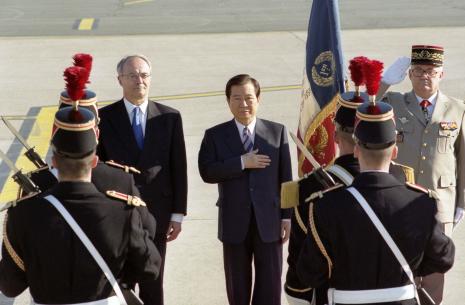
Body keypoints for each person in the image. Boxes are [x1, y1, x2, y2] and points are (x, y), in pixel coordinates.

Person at [296, 98, 455, 305]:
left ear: (356, 150)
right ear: (395, 151)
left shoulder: (327, 204)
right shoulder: (421, 202)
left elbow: (309, 272)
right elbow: (443, 258)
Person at [0, 103, 161, 304]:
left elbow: (10, 285)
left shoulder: (23, 214)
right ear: (94, 161)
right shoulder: (122, 211)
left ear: (54, 162)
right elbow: (150, 268)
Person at [284, 77, 414, 305]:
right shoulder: (402, 177)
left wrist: (298, 297)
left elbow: (300, 263)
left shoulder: (309, 188)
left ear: (334, 135)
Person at [380, 45, 465, 304]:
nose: (425, 76)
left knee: (434, 274)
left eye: (431, 71)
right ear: (409, 74)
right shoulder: (394, 103)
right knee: (401, 271)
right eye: (419, 70)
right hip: (402, 201)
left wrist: (464, 202)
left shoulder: (458, 108)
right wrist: (383, 84)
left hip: (440, 204)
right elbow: (364, 111)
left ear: (441, 74)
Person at [97, 54, 188, 305]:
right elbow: (98, 169)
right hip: (118, 215)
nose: (140, 80)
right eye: (133, 75)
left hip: (157, 215)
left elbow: (178, 167)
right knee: (119, 284)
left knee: (153, 282)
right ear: (120, 80)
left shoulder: (169, 117)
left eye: (144, 75)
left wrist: (178, 214)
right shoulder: (104, 118)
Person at [198, 74, 292, 305]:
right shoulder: (215, 135)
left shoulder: (276, 132)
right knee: (237, 288)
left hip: (269, 223)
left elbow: (286, 179)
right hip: (234, 222)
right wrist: (241, 162)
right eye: (237, 98)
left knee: (270, 288)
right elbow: (207, 172)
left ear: (258, 99)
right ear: (228, 101)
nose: (243, 104)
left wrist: (287, 217)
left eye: (249, 98)